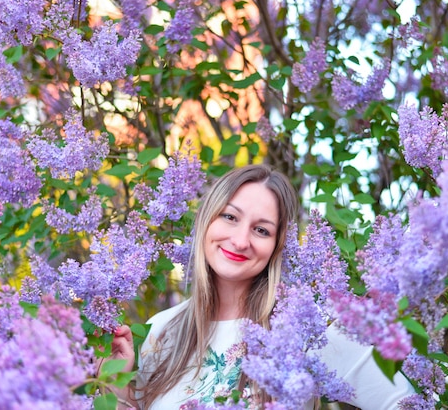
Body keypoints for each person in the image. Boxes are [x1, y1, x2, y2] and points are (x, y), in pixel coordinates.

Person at [109, 164, 414, 409]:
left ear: (277, 246)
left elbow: (405, 403)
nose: (241, 240)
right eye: (229, 217)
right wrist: (117, 384)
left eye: (261, 230)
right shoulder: (161, 331)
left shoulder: (307, 329)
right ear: (206, 220)